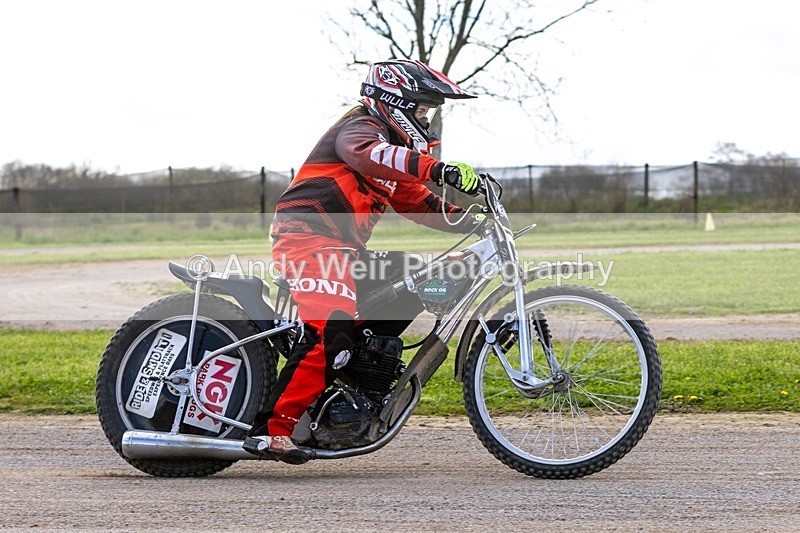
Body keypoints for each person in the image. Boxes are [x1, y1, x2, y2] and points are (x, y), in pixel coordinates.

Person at [249, 59, 483, 463]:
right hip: (307, 239)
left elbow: (415, 200)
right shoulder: (360, 130)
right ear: (397, 103)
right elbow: (371, 155)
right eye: (422, 109)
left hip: (343, 250)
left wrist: (475, 221)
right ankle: (273, 430)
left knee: (416, 279)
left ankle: (356, 377)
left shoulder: (387, 153)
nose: (426, 120)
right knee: (333, 327)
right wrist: (438, 169)